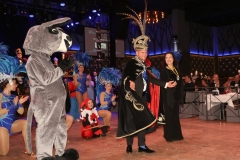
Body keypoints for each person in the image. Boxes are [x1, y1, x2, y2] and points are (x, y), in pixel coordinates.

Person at [116, 0, 176, 153]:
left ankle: (142, 145)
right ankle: (129, 145)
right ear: (137, 52)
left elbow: (150, 79)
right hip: (132, 96)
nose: (145, 54)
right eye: (142, 52)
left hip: (143, 96)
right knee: (131, 120)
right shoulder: (131, 64)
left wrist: (165, 84)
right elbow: (125, 77)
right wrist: (129, 82)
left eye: (146, 52)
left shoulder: (144, 65)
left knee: (142, 119)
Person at [0, 53, 34, 157]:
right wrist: (11, 106)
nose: (16, 84)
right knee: (4, 153)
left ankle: (28, 149)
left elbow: (20, 112)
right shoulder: (0, 96)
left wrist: (19, 104)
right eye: (15, 83)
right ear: (9, 83)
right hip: (1, 127)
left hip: (12, 124)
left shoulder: (13, 97)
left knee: (25, 123)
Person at [160, 52, 184, 142]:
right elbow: (163, 84)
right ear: (165, 60)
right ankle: (169, 136)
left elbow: (180, 82)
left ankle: (177, 135)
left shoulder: (176, 69)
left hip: (176, 96)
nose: (168, 59)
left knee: (175, 116)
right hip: (168, 96)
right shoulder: (164, 70)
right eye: (166, 58)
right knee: (169, 116)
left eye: (170, 57)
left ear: (173, 59)